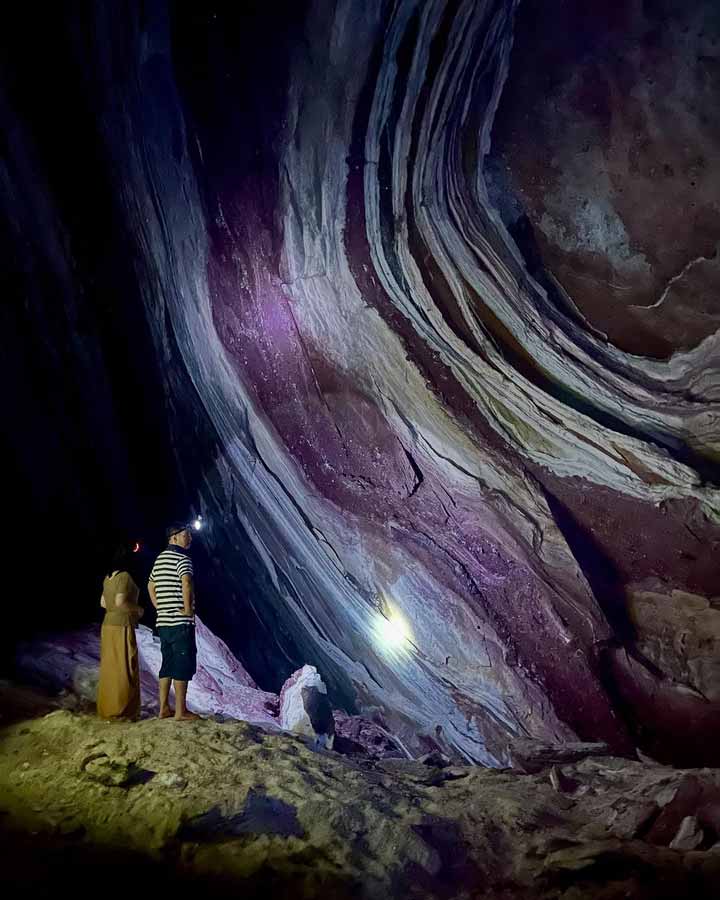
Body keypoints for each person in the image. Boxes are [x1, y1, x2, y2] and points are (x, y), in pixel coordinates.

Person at [148, 523, 200, 720]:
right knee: (182, 663)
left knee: (167, 663)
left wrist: (158, 606)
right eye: (187, 535)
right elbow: (186, 582)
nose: (190, 539)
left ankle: (163, 709)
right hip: (180, 623)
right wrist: (187, 610)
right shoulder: (182, 558)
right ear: (175, 537)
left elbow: (150, 584)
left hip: (163, 623)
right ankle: (181, 711)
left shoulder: (159, 559)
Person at [97, 543, 144, 720]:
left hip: (107, 624)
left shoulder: (107, 578)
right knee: (125, 668)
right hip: (121, 625)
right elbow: (120, 602)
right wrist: (138, 610)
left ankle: (107, 708)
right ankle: (123, 711)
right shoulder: (124, 577)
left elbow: (103, 603)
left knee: (110, 668)